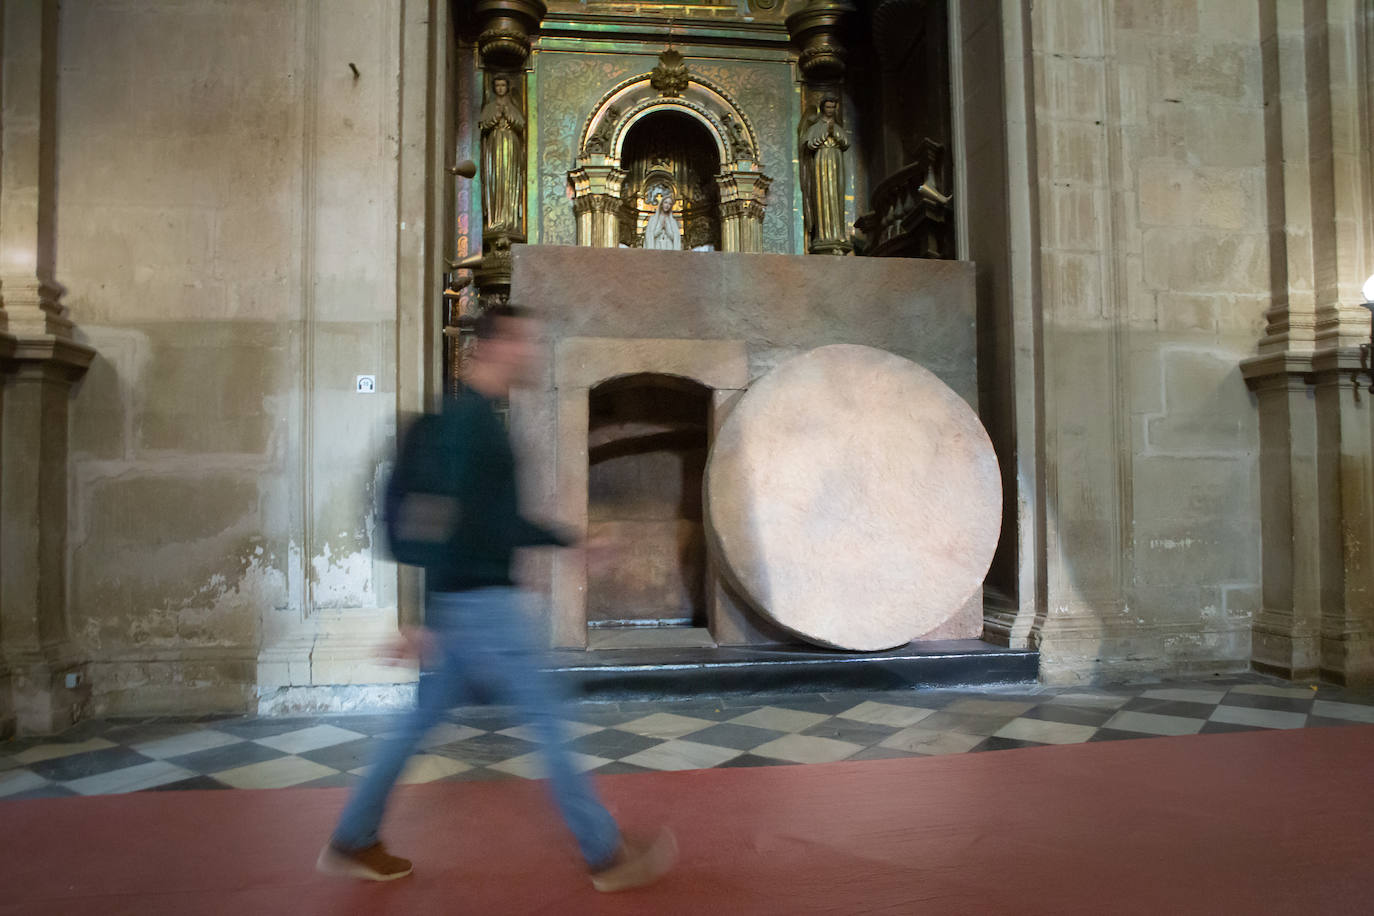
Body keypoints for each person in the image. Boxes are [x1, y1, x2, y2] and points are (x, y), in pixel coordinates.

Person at [317, 305, 677, 892]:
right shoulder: (469, 423)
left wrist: (569, 543)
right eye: (524, 341)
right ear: (493, 346)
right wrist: (427, 617)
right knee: (550, 719)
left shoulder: (480, 418)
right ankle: (606, 855)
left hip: (469, 605)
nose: (532, 351)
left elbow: (495, 520)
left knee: (416, 726)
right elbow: (441, 518)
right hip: (480, 607)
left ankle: (352, 838)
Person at [800, 97, 850, 248]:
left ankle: (838, 234)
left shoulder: (838, 127)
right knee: (822, 195)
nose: (831, 110)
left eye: (833, 107)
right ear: (823, 108)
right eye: (828, 107)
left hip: (836, 160)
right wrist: (824, 134)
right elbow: (809, 144)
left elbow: (846, 142)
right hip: (821, 161)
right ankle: (822, 235)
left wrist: (834, 133)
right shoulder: (814, 128)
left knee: (836, 195)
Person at [478, 75, 526, 234]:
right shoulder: (490, 106)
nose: (500, 88)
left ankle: (509, 220)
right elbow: (482, 125)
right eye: (497, 85)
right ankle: (495, 220)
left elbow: (521, 125)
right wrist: (495, 118)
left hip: (511, 144)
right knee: (496, 180)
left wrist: (508, 116)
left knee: (509, 180)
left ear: (507, 87)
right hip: (495, 144)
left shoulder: (513, 106)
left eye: (502, 85)